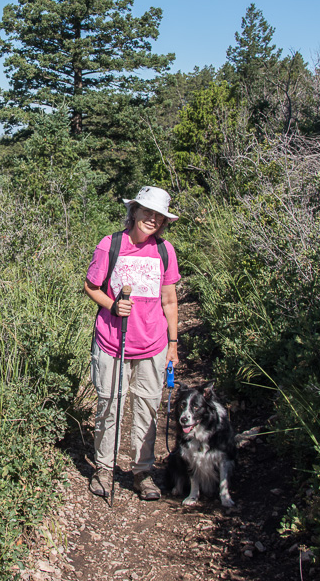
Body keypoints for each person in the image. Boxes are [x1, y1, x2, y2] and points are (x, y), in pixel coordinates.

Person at [84, 186, 180, 501]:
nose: (152, 219)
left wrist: (173, 344)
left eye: (159, 216)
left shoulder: (165, 251)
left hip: (152, 344)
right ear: (134, 210)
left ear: (164, 222)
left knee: (148, 409)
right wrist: (112, 306)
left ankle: (143, 473)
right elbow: (91, 286)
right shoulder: (110, 245)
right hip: (112, 341)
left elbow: (169, 300)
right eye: (147, 212)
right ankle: (104, 469)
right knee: (109, 406)